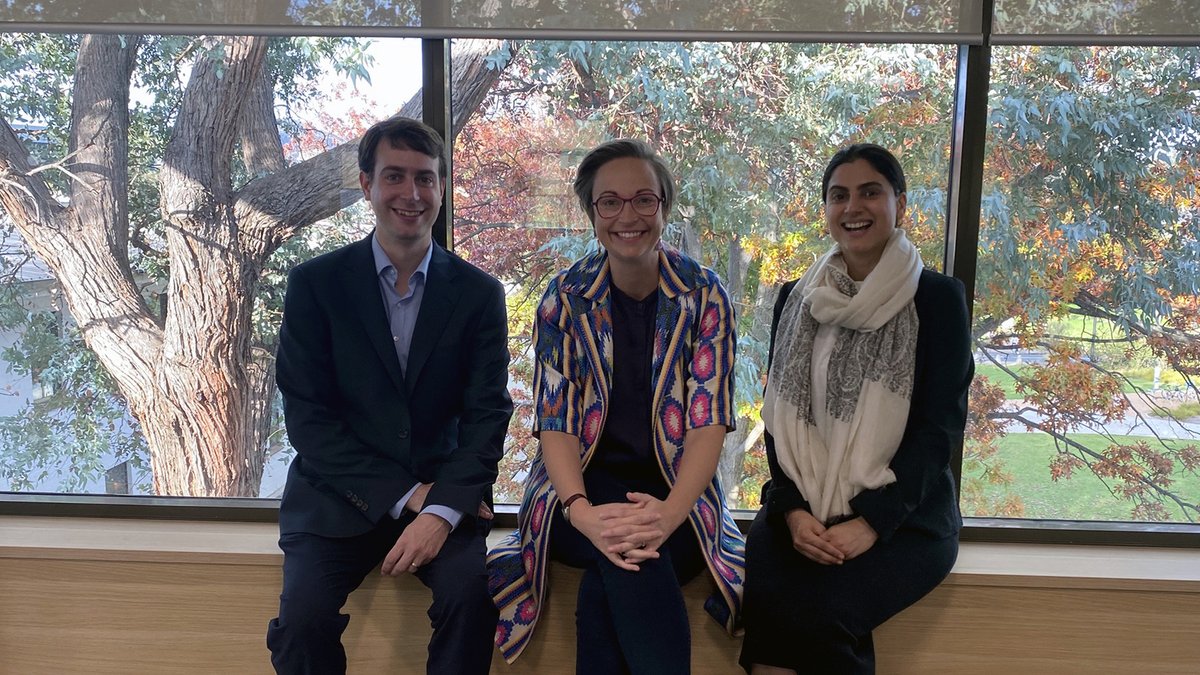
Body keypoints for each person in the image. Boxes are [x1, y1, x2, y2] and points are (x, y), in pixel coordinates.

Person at [266, 116, 513, 675]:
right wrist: (410, 497)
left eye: (425, 179)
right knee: (302, 623)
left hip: (441, 491)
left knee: (473, 599)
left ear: (442, 188)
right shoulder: (315, 285)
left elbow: (488, 414)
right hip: (334, 496)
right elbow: (309, 423)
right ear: (366, 185)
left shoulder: (478, 294)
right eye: (394, 176)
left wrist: (443, 507)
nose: (411, 193)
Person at [487, 139, 746, 673]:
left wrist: (667, 515)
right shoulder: (564, 297)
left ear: (664, 208)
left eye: (643, 200)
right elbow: (555, 426)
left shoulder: (704, 296)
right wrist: (583, 516)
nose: (628, 216)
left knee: (618, 578)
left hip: (679, 498)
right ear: (592, 213)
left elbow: (708, 423)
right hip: (576, 494)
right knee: (634, 566)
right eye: (610, 202)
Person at [739, 143, 973, 674]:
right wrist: (795, 513)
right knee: (769, 618)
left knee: (822, 617)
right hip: (800, 509)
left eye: (871, 192)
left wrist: (870, 522)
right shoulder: (796, 299)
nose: (853, 207)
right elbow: (781, 421)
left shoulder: (937, 299)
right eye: (838, 195)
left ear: (901, 205)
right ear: (825, 209)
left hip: (906, 520)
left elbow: (940, 430)